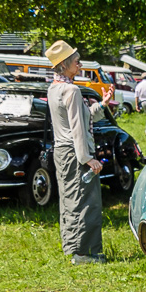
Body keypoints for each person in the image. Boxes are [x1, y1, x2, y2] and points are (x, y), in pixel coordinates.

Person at [45, 40, 114, 265]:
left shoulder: (55, 87)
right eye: (76, 60)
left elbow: (79, 118)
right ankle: (84, 254)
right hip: (76, 153)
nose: (80, 63)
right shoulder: (72, 90)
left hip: (62, 152)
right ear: (63, 65)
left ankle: (73, 249)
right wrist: (87, 159)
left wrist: (102, 104)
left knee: (69, 200)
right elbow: (77, 129)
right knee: (85, 201)